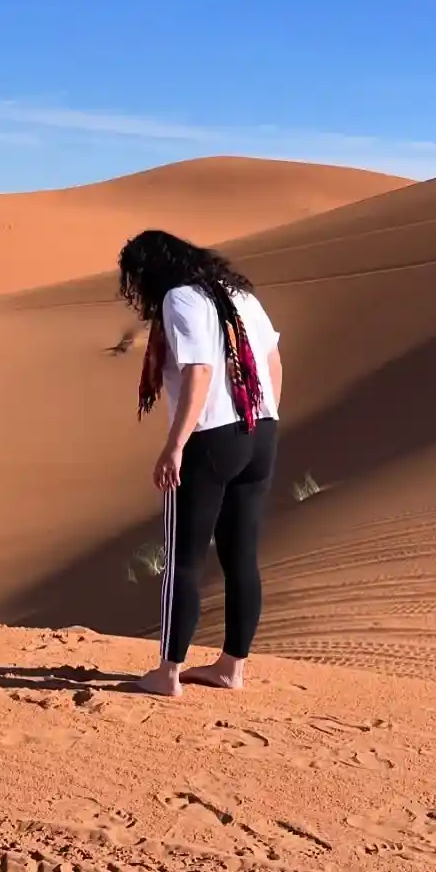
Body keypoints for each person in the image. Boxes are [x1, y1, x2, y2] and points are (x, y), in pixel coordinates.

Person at [117, 230, 283, 698]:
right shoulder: (240, 295)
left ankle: (168, 673)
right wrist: (268, 416)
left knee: (183, 560)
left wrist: (175, 444)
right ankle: (232, 667)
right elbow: (272, 359)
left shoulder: (179, 298)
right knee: (240, 557)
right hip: (259, 431)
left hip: (209, 440)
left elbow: (199, 370)